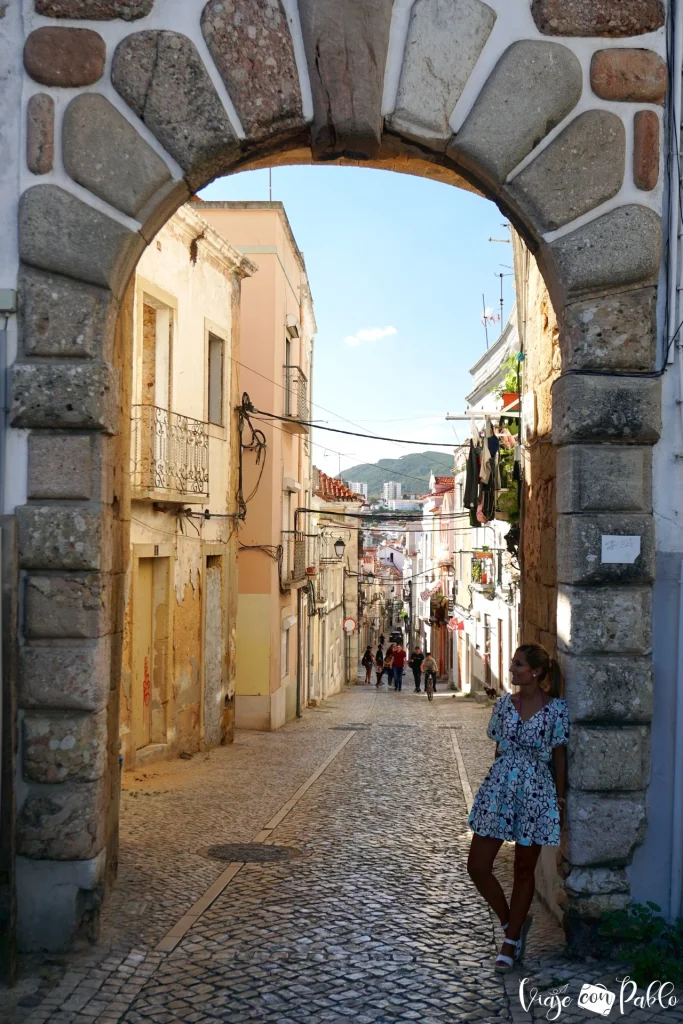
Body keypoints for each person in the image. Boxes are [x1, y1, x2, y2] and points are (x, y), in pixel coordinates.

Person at [466, 643, 568, 973]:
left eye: (518, 665)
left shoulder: (556, 711)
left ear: (536, 672)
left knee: (524, 870)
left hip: (537, 792)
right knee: (478, 866)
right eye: (513, 665)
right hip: (500, 789)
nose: (512, 670)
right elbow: (499, 749)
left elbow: (559, 758)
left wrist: (560, 802)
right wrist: (497, 786)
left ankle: (509, 943)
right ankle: (513, 922)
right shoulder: (504, 706)